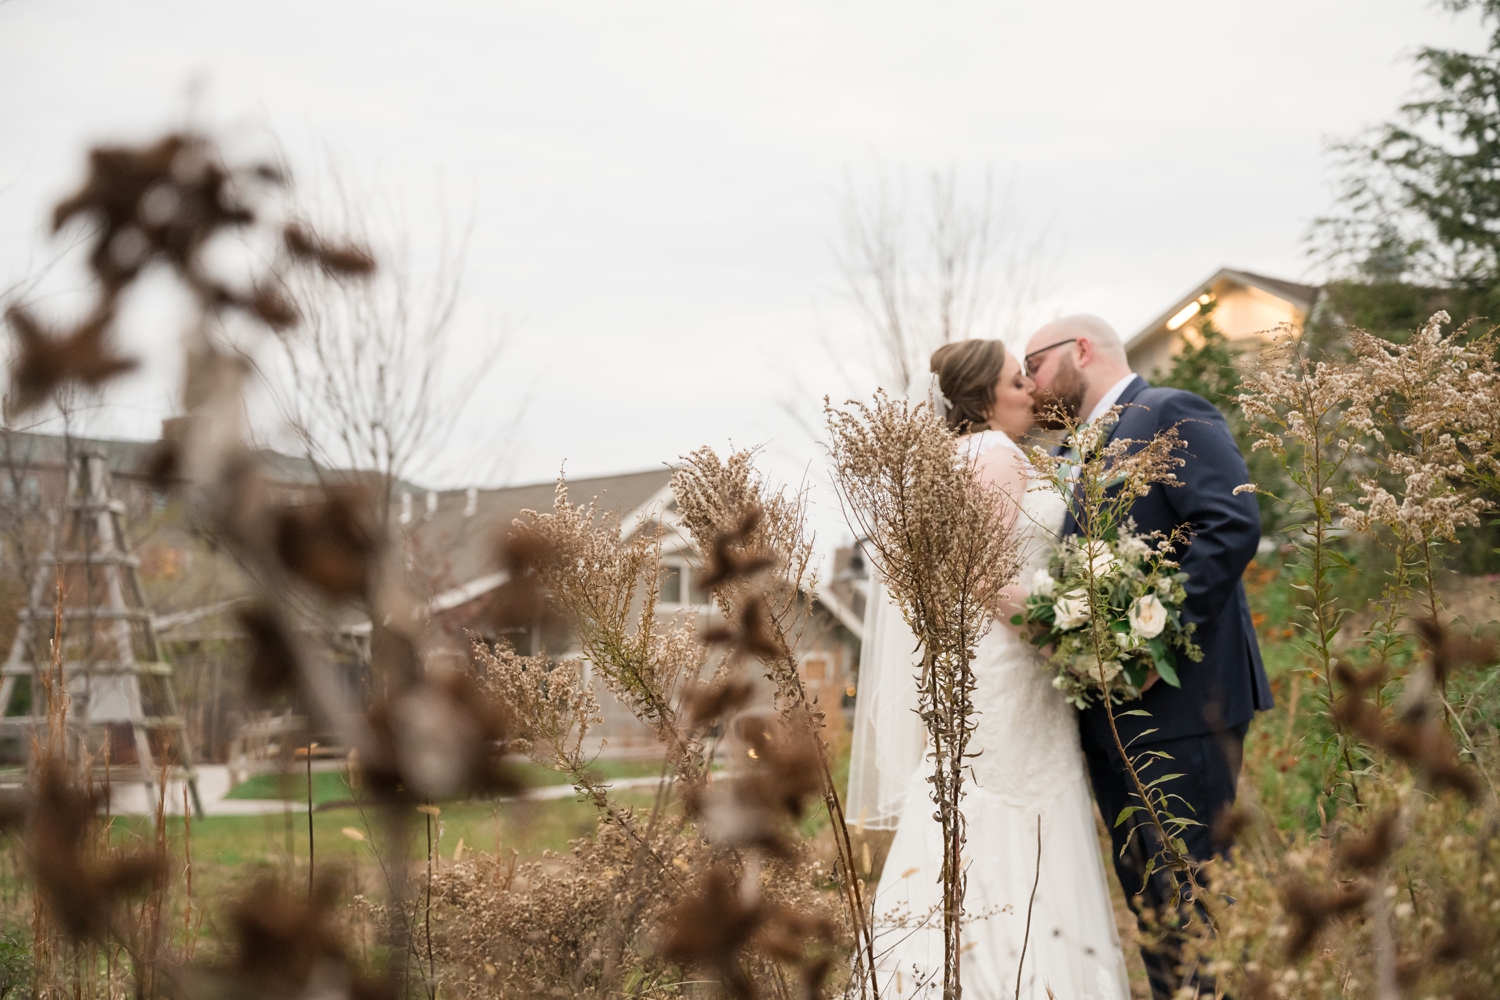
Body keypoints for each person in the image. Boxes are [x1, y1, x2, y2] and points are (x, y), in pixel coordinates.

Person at [851, 338, 1130, 1000]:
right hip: (1011, 671)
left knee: (976, 812)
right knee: (1009, 815)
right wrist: (1066, 640)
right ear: (984, 398)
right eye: (1016, 381)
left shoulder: (961, 458)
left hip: (992, 667)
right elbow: (981, 578)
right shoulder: (996, 457)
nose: (1031, 390)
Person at [1021, 314, 1273, 1000]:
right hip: (1113, 716)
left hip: (1185, 703)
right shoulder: (1079, 450)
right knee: (1152, 903)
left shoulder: (1169, 412)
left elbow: (1231, 523)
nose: (1027, 382)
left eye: (1033, 365)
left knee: (1195, 895)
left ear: (1080, 350)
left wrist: (1148, 640)